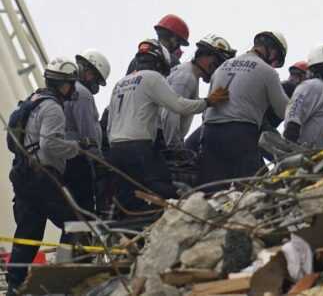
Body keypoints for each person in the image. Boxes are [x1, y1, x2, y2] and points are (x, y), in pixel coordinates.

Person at [107, 39, 228, 215]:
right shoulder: (152, 77)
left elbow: (110, 122)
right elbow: (178, 106)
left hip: (115, 149)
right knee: (162, 186)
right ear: (159, 62)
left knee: (126, 196)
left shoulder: (120, 83)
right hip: (139, 147)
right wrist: (208, 102)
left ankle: (124, 226)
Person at [6, 58, 84, 296]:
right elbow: (50, 145)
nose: (72, 88)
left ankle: (14, 285)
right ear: (63, 84)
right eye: (70, 83)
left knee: (28, 232)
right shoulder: (53, 108)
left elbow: (13, 143)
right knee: (75, 222)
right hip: (43, 176)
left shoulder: (32, 101)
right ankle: (62, 276)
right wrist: (76, 147)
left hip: (22, 175)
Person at [197, 31, 289, 186]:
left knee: (212, 189)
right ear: (272, 50)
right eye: (276, 60)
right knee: (255, 187)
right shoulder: (267, 71)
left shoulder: (222, 67)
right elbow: (283, 110)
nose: (274, 64)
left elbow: (208, 105)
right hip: (240, 133)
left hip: (209, 132)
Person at [160, 34, 236, 150]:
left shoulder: (188, 73)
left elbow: (184, 105)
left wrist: (207, 102)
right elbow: (171, 113)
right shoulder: (187, 77)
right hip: (162, 141)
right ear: (206, 55)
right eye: (218, 63)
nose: (217, 70)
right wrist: (173, 148)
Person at [63, 49, 110, 214]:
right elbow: (88, 132)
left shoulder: (66, 89)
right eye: (95, 78)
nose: (95, 83)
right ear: (88, 72)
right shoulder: (82, 94)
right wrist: (99, 162)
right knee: (84, 211)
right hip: (78, 160)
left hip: (65, 157)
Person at [284, 44, 323, 149]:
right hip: (298, 150)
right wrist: (291, 130)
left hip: (313, 153)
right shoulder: (313, 85)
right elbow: (295, 108)